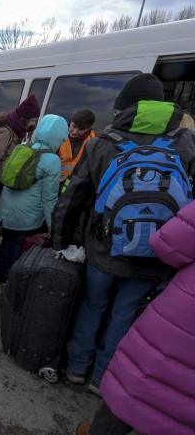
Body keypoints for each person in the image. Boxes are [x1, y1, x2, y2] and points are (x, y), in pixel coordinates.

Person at [51, 73, 195, 394]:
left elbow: (72, 198)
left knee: (92, 305)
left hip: (104, 249)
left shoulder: (103, 143)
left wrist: (61, 241)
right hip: (156, 253)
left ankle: (77, 369)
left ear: (125, 108)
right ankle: (104, 378)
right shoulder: (186, 144)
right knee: (125, 314)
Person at [76, 199, 195, 435]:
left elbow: (167, 243)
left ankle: (79, 370)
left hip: (182, 315)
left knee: (140, 383)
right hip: (145, 273)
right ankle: (98, 377)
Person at [0, 115, 69, 282]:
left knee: (6, 240)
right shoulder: (52, 160)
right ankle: (9, 278)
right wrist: (52, 227)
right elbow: (49, 199)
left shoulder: (23, 147)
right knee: (18, 246)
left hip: (6, 210)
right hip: (26, 216)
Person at [0, 94, 41, 261]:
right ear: (23, 118)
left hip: (0, 180)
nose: (33, 124)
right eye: (32, 120)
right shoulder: (6, 131)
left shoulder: (15, 129)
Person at [59, 110, 96, 189]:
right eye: (74, 126)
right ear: (71, 121)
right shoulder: (58, 134)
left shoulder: (94, 143)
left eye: (80, 129)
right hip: (54, 182)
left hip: (74, 187)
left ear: (88, 128)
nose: (75, 132)